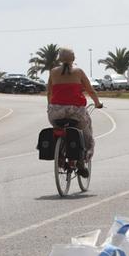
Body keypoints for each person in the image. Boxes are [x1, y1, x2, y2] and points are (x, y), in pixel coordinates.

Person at [47, 47, 102, 177]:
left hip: (55, 112)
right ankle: (81, 163)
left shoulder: (53, 72)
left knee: (58, 129)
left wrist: (50, 106)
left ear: (59, 59)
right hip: (76, 112)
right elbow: (91, 91)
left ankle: (60, 155)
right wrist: (97, 103)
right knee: (86, 135)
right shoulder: (78, 72)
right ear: (74, 58)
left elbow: (49, 92)